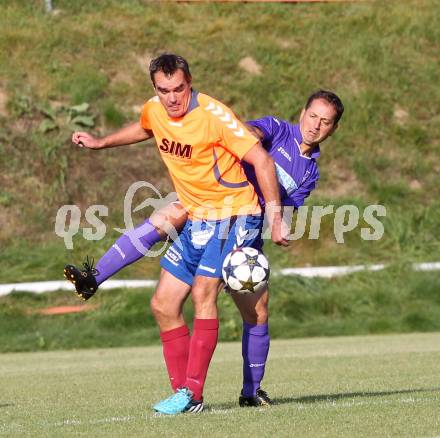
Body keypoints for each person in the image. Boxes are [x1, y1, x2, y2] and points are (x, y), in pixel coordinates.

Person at [65, 88, 344, 410]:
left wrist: (263, 233)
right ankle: (93, 278)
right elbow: (249, 133)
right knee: (168, 221)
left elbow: (279, 211)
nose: (315, 126)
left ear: (333, 129)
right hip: (214, 200)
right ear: (302, 112)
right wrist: (243, 135)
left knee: (258, 312)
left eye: (325, 122)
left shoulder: (309, 173)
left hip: (245, 228)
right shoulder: (277, 129)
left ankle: (251, 391)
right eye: (312, 116)